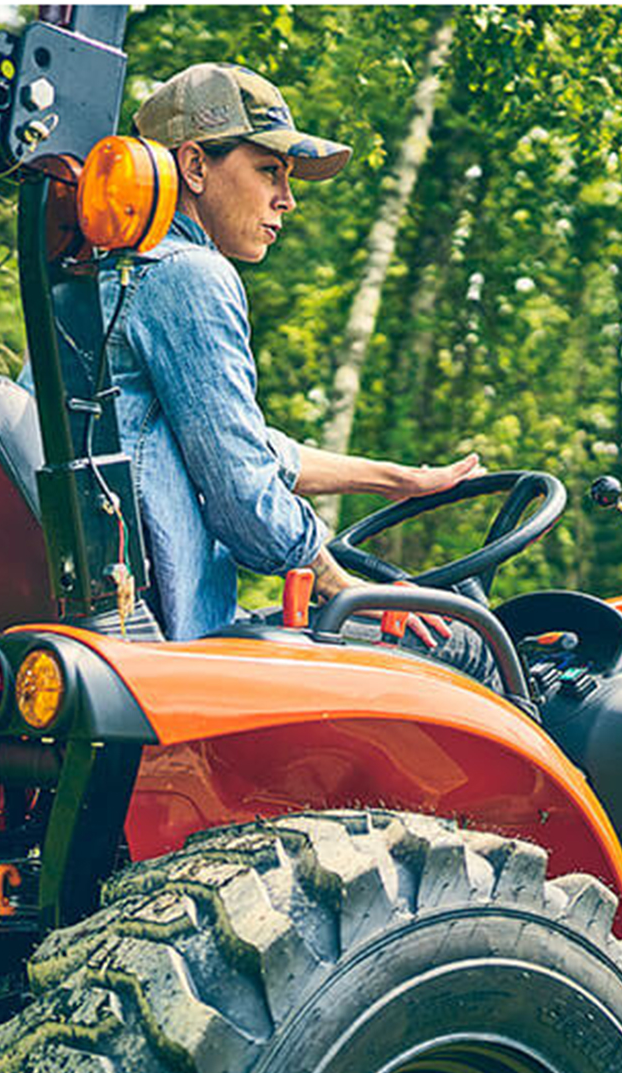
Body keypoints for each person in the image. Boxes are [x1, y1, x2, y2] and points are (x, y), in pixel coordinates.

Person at [105, 61, 489, 668]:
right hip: (174, 649)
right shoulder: (188, 275)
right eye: (268, 171)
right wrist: (346, 588)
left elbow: (239, 446)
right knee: (467, 647)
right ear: (196, 166)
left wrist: (397, 480)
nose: (286, 199)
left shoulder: (99, 277)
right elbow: (243, 497)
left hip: (128, 636)